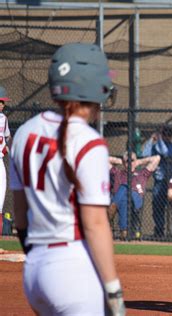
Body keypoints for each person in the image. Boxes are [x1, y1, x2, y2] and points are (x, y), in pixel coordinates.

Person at [9, 43, 125, 315]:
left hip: (34, 270)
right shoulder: (89, 141)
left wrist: (39, 260)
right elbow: (95, 224)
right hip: (72, 268)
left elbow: (21, 215)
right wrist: (113, 291)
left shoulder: (24, 131)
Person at [109, 151, 160, 240]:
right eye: (127, 161)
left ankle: (111, 212)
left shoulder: (141, 174)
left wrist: (139, 162)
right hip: (121, 201)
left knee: (125, 187)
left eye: (131, 160)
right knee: (124, 195)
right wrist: (120, 161)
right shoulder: (117, 173)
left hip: (136, 201)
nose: (129, 163)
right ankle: (124, 233)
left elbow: (157, 158)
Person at [142, 126, 172, 238]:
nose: (167, 137)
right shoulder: (155, 146)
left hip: (171, 182)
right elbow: (144, 155)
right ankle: (159, 231)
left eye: (169, 135)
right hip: (159, 181)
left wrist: (160, 140)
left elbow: (165, 152)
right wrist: (151, 140)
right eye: (164, 135)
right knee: (158, 207)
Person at [0, 86, 11, 236]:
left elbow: (7, 136)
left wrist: (6, 147)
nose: (1, 104)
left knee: (2, 187)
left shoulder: (3, 118)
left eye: (3, 102)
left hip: (0, 159)